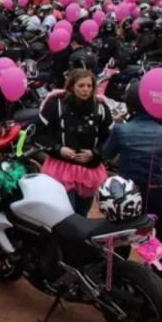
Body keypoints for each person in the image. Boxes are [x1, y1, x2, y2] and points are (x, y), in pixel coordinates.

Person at [38, 69, 113, 216]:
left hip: (89, 172)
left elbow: (110, 139)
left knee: (81, 215)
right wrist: (59, 149)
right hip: (61, 169)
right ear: (71, 86)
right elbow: (40, 135)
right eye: (81, 86)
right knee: (67, 215)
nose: (85, 90)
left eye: (89, 86)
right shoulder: (56, 104)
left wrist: (94, 153)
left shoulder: (101, 108)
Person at [102, 83, 162, 218]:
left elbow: (105, 154)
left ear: (129, 104)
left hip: (126, 193)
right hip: (156, 192)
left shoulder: (120, 129)